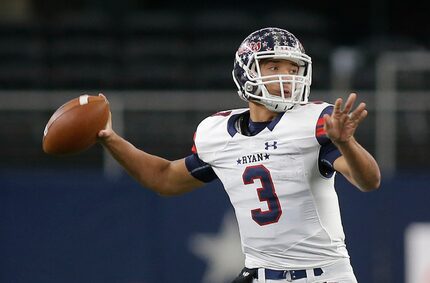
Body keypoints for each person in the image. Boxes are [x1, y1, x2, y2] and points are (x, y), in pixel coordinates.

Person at [98, 27, 381, 283]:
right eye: (273, 66)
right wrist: (111, 139)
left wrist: (346, 143)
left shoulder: (314, 121)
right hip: (259, 274)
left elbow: (368, 180)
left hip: (321, 276)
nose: (287, 76)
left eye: (294, 69)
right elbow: (165, 179)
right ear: (247, 72)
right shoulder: (217, 133)